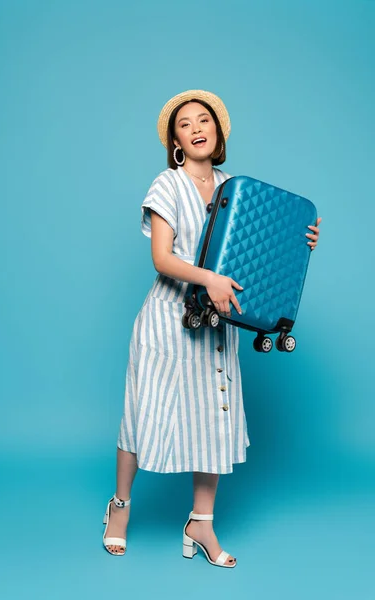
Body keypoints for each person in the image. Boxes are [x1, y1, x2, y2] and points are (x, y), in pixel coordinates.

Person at [102, 90, 322, 568]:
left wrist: (300, 241)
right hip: (166, 321)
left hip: (216, 324)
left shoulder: (236, 189)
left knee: (212, 422)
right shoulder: (167, 184)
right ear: (175, 140)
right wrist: (208, 278)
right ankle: (119, 508)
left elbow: (260, 256)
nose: (198, 127)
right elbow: (162, 258)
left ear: (218, 133)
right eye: (186, 123)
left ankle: (201, 522)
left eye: (205, 120)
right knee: (144, 414)